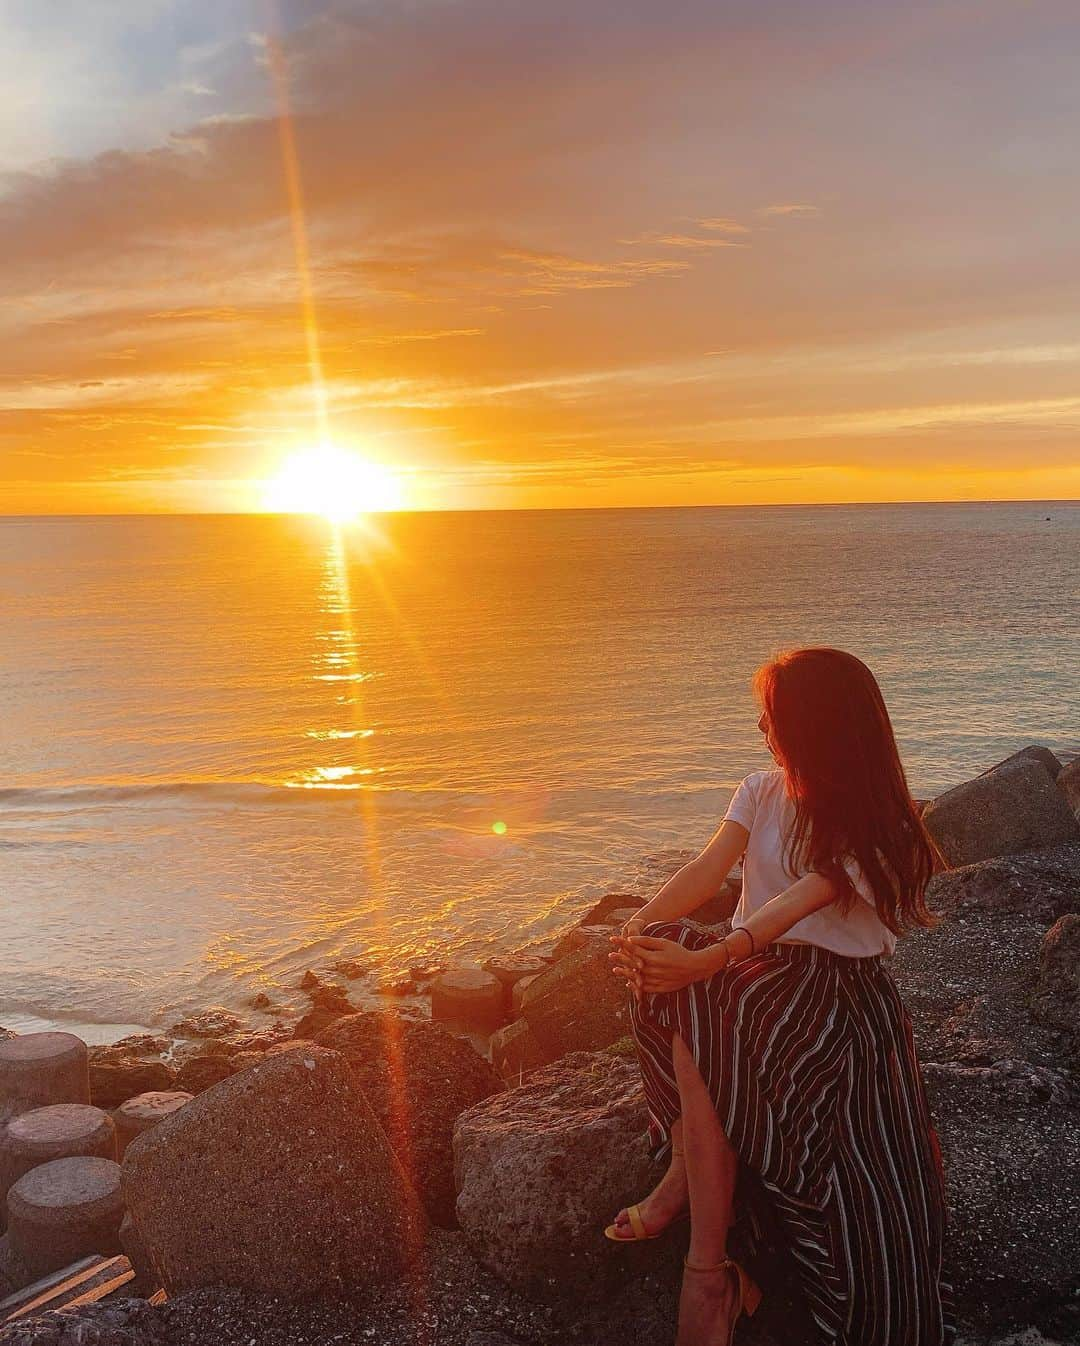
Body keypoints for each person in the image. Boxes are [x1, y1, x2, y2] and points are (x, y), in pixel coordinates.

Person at [608, 647, 953, 1346]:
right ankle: (690, 1194)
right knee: (671, 960)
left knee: (698, 998)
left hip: (834, 998)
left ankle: (707, 1265)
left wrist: (711, 960)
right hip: (760, 978)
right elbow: (710, 867)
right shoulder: (761, 789)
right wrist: (637, 926)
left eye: (772, 721)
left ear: (816, 730)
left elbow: (797, 904)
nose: (763, 733)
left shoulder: (869, 819)